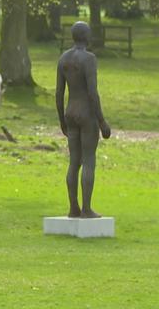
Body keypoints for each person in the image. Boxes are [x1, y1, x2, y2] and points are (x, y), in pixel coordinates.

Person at [55, 21, 111, 219]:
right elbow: (92, 93)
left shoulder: (63, 58)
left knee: (73, 162)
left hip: (70, 112)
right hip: (86, 114)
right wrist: (102, 121)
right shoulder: (89, 59)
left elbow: (59, 92)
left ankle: (73, 208)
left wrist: (62, 119)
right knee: (88, 161)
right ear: (87, 37)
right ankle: (86, 209)